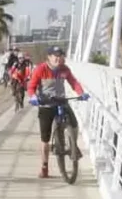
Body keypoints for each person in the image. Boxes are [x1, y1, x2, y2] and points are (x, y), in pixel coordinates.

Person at [27, 46, 90, 178]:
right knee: (45, 140)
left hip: (61, 101)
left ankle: (73, 145)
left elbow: (73, 82)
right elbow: (31, 86)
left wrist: (81, 93)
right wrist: (33, 97)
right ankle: (44, 166)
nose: (58, 58)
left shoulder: (64, 69)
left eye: (60, 55)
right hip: (46, 105)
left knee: (74, 124)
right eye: (55, 55)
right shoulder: (40, 69)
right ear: (49, 57)